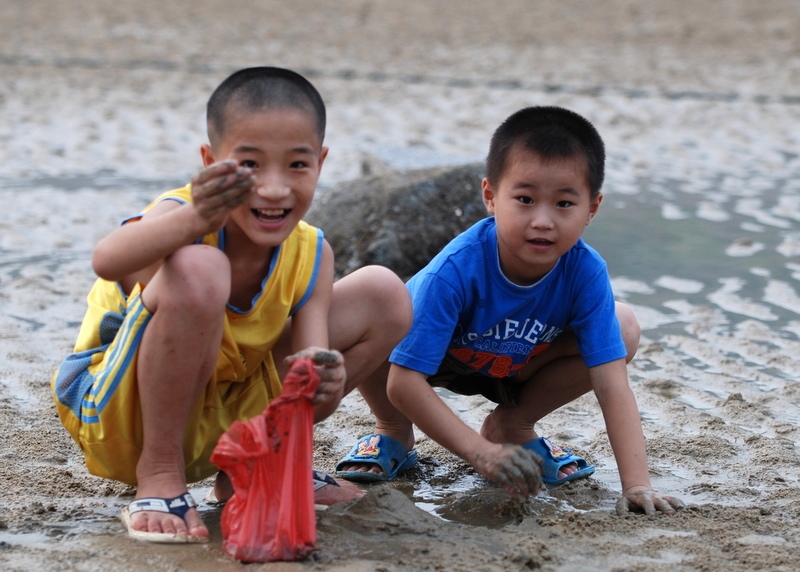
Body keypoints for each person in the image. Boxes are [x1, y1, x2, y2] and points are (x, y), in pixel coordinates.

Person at [50, 66, 413, 543]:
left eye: (297, 166)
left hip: (224, 412)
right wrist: (197, 217)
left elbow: (307, 362)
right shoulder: (183, 214)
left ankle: (261, 462)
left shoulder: (311, 252)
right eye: (249, 165)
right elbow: (107, 258)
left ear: (321, 163)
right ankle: (160, 474)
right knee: (202, 268)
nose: (275, 188)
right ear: (210, 161)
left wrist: (324, 379)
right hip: (123, 414)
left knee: (385, 293)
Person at [336, 106, 685, 516]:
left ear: (592, 208)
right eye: (524, 199)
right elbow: (403, 382)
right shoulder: (456, 270)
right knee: (384, 313)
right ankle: (393, 431)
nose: (542, 220)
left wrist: (637, 485)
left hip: (518, 361)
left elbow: (612, 384)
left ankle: (511, 427)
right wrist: (478, 454)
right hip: (428, 360)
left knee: (622, 327)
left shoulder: (585, 271)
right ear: (490, 197)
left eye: (564, 203)